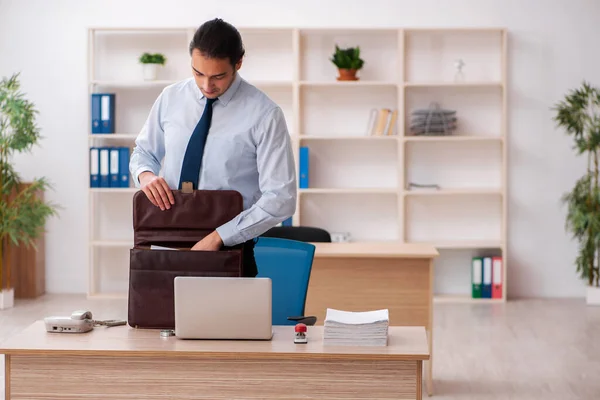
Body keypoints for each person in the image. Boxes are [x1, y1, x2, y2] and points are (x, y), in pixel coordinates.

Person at [129, 18, 297, 277]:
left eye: (218, 76)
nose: (207, 86)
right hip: (167, 244)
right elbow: (143, 152)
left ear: (238, 63)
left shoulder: (265, 114)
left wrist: (220, 237)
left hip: (230, 249)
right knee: (159, 317)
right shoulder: (170, 98)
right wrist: (145, 175)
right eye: (198, 73)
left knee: (228, 319)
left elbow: (281, 199)